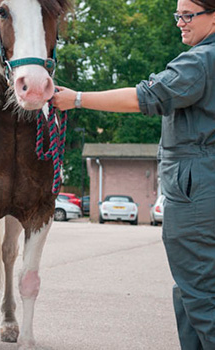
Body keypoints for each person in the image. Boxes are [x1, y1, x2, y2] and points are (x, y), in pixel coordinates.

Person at [53, 0, 215, 348]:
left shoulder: (201, 61)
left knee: (201, 298)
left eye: (188, 15)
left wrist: (77, 98)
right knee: (192, 291)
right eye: (177, 14)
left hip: (196, 191)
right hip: (204, 185)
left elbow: (144, 97)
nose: (179, 23)